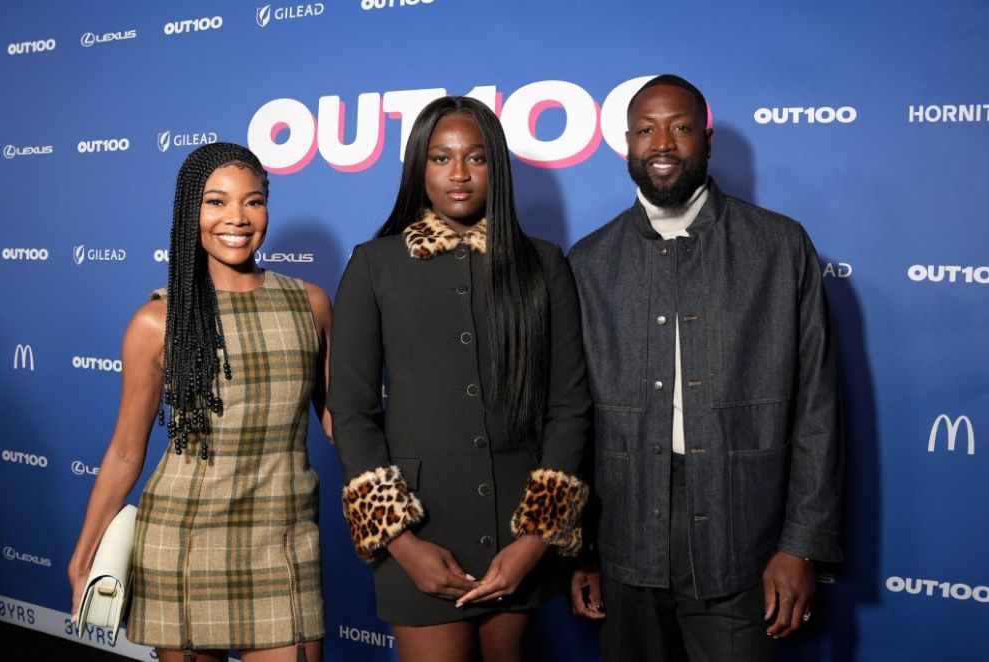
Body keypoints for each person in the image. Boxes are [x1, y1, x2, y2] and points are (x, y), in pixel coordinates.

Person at [567, 75, 843, 662]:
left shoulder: (779, 246)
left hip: (744, 538)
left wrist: (801, 546)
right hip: (625, 536)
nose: (662, 143)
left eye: (680, 127)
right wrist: (580, 548)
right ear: (627, 145)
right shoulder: (589, 261)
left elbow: (818, 405)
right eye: (646, 130)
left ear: (708, 141)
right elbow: (573, 416)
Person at [328, 96, 591, 661]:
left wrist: (535, 538)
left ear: (496, 166)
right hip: (420, 530)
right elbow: (350, 412)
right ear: (419, 168)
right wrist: (399, 541)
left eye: (475, 158)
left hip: (516, 534)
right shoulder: (375, 264)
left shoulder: (543, 264)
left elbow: (569, 407)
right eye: (441, 158)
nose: (459, 174)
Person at [68, 143, 333, 662]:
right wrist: (83, 556)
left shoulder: (311, 303)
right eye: (216, 202)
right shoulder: (157, 322)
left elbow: (341, 420)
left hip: (284, 538)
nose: (236, 217)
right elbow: (126, 451)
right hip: (184, 540)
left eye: (252, 201)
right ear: (191, 212)